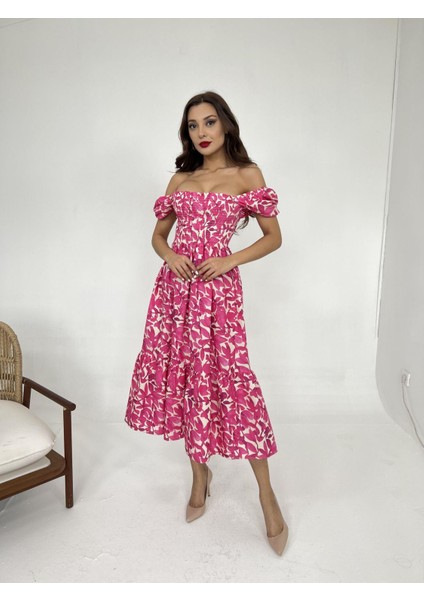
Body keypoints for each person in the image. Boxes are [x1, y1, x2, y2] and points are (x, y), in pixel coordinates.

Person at [125, 91, 288, 556]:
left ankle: (267, 494)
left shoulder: (247, 175)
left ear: (226, 124)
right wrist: (170, 255)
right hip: (175, 294)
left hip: (219, 293)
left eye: (209, 122)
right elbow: (158, 236)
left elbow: (274, 237)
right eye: (193, 125)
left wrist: (229, 259)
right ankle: (200, 474)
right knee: (184, 378)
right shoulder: (180, 179)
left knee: (232, 379)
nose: (202, 132)